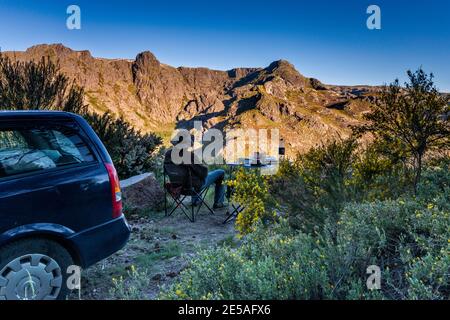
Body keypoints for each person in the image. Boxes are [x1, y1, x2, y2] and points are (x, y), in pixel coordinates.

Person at [164, 135, 225, 209]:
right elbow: (203, 173)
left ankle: (196, 200)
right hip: (192, 188)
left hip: (178, 188)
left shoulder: (168, 155)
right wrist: (204, 167)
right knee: (221, 172)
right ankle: (218, 203)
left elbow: (166, 171)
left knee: (192, 176)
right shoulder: (189, 155)